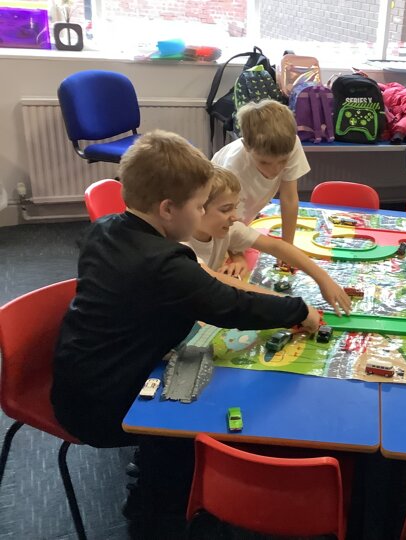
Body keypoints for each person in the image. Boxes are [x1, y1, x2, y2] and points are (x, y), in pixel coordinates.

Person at [50, 130, 321, 534]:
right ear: (167, 209)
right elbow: (231, 306)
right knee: (195, 419)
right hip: (103, 404)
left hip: (78, 376)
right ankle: (154, 511)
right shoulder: (165, 264)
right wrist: (299, 310)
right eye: (198, 206)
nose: (200, 215)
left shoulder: (104, 228)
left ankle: (161, 478)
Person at [185, 165, 352, 315]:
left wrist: (323, 278)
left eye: (235, 207)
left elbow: (276, 246)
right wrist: (289, 306)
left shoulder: (229, 228)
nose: (234, 216)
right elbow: (213, 279)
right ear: (199, 208)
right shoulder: (182, 243)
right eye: (225, 209)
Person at [212, 99, 309, 276]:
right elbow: (226, 220)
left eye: (283, 161)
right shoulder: (233, 168)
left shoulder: (289, 144)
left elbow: (289, 198)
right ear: (246, 146)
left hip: (244, 212)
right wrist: (237, 255)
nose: (276, 170)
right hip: (217, 222)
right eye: (265, 162)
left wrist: (287, 248)